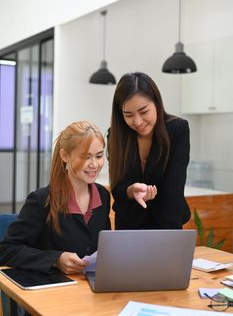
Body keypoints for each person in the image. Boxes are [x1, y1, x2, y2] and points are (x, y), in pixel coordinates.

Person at [0, 121, 111, 274]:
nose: (94, 164)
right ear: (65, 156)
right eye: (86, 157)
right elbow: (6, 250)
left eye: (99, 156)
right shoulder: (40, 200)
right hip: (54, 291)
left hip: (92, 288)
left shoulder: (103, 196)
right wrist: (55, 259)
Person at [108, 72, 191, 230]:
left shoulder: (178, 129)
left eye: (144, 111)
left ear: (157, 103)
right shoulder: (115, 135)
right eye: (129, 115)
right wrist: (131, 191)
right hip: (129, 226)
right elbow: (118, 188)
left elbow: (174, 187)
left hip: (167, 223)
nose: (138, 121)